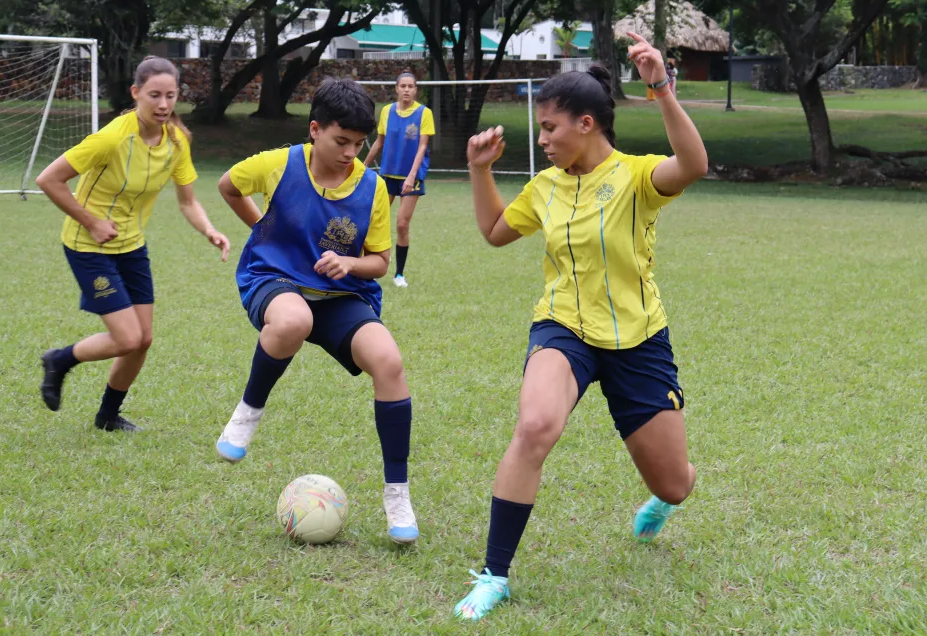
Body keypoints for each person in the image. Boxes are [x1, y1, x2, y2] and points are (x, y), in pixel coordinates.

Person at [453, 32, 709, 620]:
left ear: (587, 123)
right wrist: (478, 171)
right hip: (563, 327)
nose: (541, 139)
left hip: (638, 339)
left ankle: (669, 495)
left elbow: (693, 164)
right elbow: (495, 233)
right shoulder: (544, 187)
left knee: (673, 484)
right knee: (536, 425)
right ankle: (495, 575)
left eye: (549, 128)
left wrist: (661, 88)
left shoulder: (637, 178)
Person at [215, 78, 419, 545]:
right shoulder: (278, 164)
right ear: (314, 130)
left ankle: (397, 494)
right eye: (340, 141)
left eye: (358, 143)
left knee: (389, 361)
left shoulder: (372, 189)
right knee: (292, 320)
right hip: (276, 280)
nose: (350, 152)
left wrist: (350, 263)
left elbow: (382, 263)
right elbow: (228, 186)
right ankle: (248, 412)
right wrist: (262, 228)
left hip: (341, 295)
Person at [35, 56, 230, 432]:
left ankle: (108, 416)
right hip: (88, 246)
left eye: (170, 96)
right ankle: (59, 359)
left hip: (131, 247)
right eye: (154, 95)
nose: (163, 104)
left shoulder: (176, 141)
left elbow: (188, 201)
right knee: (126, 338)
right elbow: (49, 179)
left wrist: (209, 230)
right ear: (136, 93)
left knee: (143, 340)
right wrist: (90, 221)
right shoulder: (111, 138)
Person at [361, 71, 434, 288]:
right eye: (403, 86)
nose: (406, 90)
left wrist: (412, 175)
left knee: (402, 224)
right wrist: (363, 166)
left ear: (415, 89)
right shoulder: (387, 111)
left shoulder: (424, 113)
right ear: (396, 88)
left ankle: (399, 274)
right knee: (372, 220)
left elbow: (422, 146)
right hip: (388, 175)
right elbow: (379, 142)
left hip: (411, 177)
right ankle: (369, 266)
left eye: (411, 86)